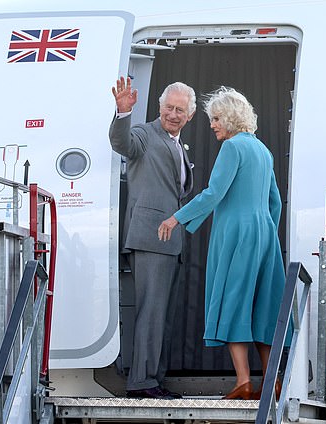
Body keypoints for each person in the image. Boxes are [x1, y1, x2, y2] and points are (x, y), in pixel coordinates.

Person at [158, 86, 286, 400]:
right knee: (264, 305)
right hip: (265, 234)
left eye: (216, 118)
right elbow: (276, 203)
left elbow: (214, 193)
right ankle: (274, 381)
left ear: (229, 118)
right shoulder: (262, 150)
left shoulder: (232, 148)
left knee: (233, 301)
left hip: (235, 234)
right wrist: (265, 232)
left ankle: (243, 381)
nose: (213, 125)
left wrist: (177, 218)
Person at [109, 77, 196, 400]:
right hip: (149, 237)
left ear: (190, 115)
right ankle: (141, 382)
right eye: (169, 108)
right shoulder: (146, 134)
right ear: (160, 107)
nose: (173, 114)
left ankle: (154, 379)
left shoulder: (178, 145)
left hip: (169, 241)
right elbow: (123, 144)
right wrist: (122, 114)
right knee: (151, 311)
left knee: (163, 314)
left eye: (180, 110)